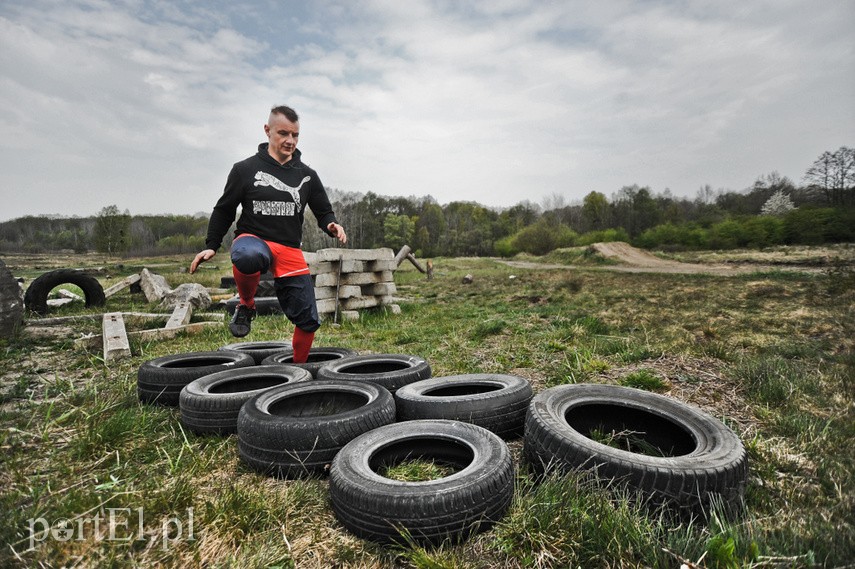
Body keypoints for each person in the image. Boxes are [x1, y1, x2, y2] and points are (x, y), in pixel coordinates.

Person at [190, 105, 346, 363]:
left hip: (289, 248)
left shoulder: (306, 175)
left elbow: (323, 210)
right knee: (248, 256)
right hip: (254, 240)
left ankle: (299, 370)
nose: (290, 140)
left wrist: (331, 224)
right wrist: (211, 244)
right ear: (267, 131)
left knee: (309, 319)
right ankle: (246, 305)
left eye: (295, 135)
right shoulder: (245, 169)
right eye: (283, 133)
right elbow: (224, 209)